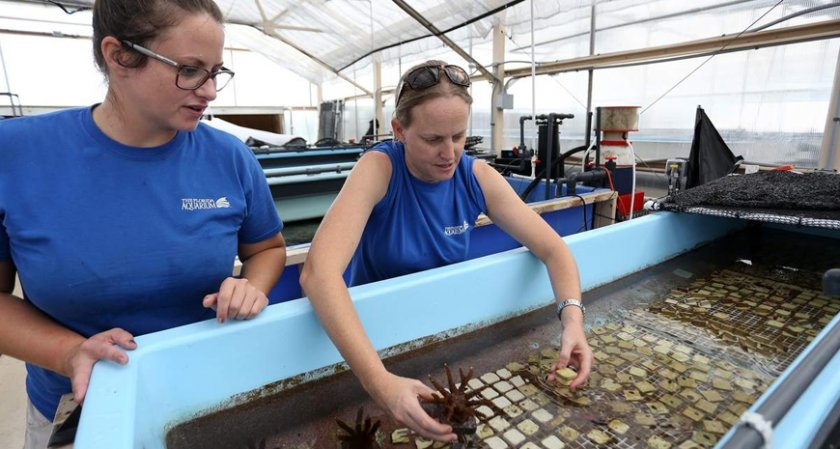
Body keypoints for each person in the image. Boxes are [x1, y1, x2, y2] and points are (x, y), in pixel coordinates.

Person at [0, 1, 286, 447]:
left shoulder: (230, 158)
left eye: (216, 71)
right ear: (118, 56)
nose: (210, 92)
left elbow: (266, 248)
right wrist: (69, 352)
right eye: (190, 70)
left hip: (206, 394)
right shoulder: (16, 154)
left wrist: (254, 285)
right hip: (78, 409)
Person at [300, 60, 592, 442]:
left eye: (458, 136)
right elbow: (318, 274)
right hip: (372, 343)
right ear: (399, 130)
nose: (449, 153)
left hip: (440, 336)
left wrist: (572, 321)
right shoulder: (379, 169)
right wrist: (381, 383)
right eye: (433, 139)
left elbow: (553, 249)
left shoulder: (475, 177)